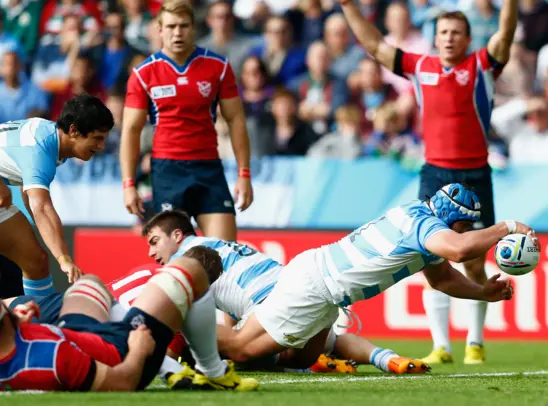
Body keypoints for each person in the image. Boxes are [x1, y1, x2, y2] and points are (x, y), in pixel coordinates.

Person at [329, 0, 519, 365]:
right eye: (443, 31)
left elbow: (505, 34)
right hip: (436, 171)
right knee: (428, 256)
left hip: (474, 172)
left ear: (468, 39)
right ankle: (441, 346)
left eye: (456, 32)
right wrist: (348, 4)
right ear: (435, 37)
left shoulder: (481, 65)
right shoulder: (420, 67)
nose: (449, 38)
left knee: (472, 258)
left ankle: (475, 341)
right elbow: (376, 46)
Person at [215, 184, 535, 371]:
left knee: (301, 358)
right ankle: (175, 332)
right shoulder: (422, 224)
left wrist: (482, 292)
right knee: (242, 348)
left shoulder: (421, 222)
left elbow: (443, 279)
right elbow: (460, 250)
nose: (467, 232)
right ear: (452, 218)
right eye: (465, 225)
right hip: (315, 286)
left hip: (323, 288)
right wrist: (506, 227)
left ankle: (193, 342)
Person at [115, 210, 426, 375]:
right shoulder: (218, 244)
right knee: (312, 350)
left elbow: (193, 308)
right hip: (300, 296)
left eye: (154, 241)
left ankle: (165, 362)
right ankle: (387, 359)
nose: (152, 252)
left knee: (225, 346)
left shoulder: (189, 255)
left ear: (177, 235)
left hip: (273, 302)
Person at [2, 246, 259, 391]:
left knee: (90, 282)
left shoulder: (20, 344)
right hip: (119, 350)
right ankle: (214, 373)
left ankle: (170, 365)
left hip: (74, 334)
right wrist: (138, 350)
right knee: (189, 270)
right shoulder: (50, 358)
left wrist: (16, 325)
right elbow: (121, 382)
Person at [121, 0, 253, 241]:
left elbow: (236, 120)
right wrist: (128, 184)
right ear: (160, 30)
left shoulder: (218, 67)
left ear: (193, 28)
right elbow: (130, 130)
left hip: (208, 168)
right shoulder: (144, 74)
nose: (177, 33)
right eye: (170, 27)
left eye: (183, 26)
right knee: (175, 259)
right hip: (168, 171)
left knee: (224, 256)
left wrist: (244, 175)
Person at [0, 94, 113, 295]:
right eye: (97, 138)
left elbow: (29, 191)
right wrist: (64, 259)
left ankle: (39, 325)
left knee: (35, 260)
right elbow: (41, 207)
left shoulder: (49, 137)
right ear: (73, 130)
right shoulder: (41, 150)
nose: (102, 146)